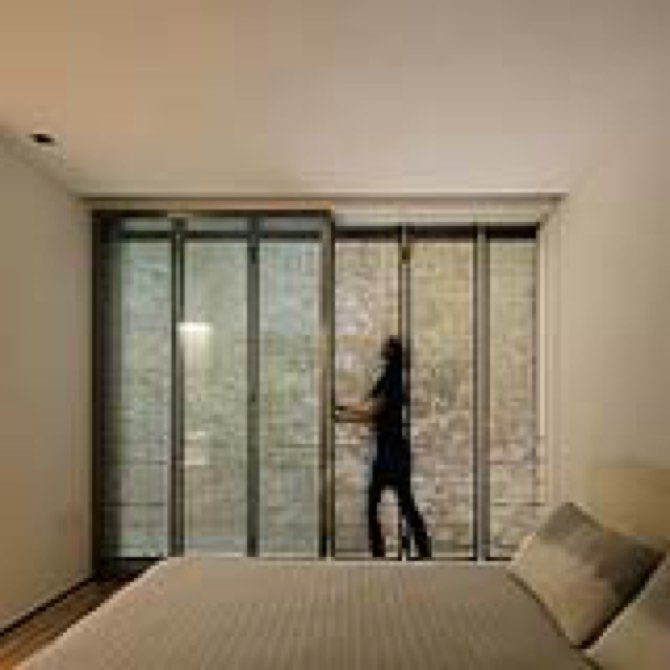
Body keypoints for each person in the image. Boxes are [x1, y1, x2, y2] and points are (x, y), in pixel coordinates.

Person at [336, 336, 432, 559]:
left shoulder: (391, 380)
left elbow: (373, 412)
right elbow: (374, 416)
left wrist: (342, 411)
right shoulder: (393, 378)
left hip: (390, 455)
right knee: (405, 506)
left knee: (376, 506)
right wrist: (343, 415)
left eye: (385, 346)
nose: (381, 348)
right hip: (394, 452)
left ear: (391, 352)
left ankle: (380, 554)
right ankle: (423, 552)